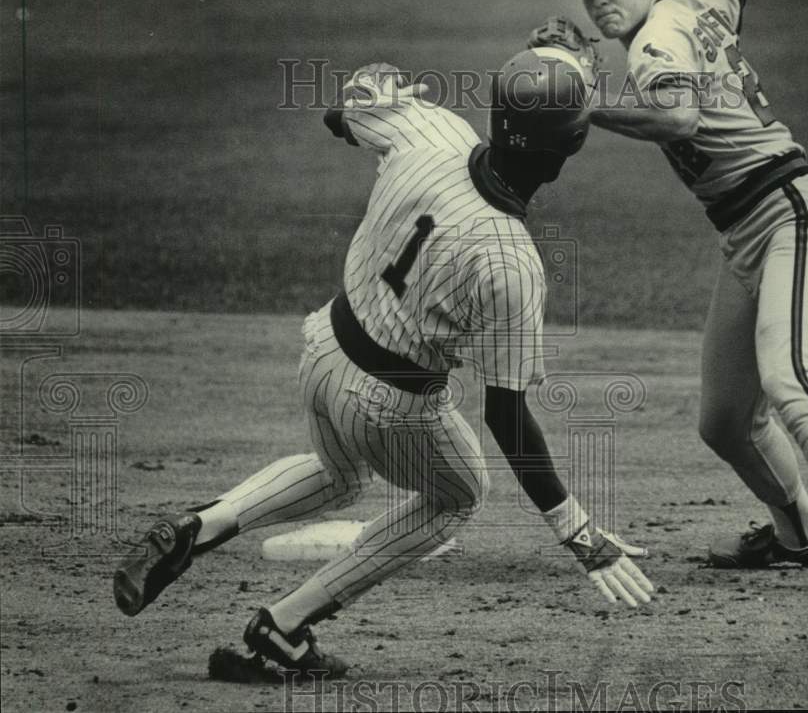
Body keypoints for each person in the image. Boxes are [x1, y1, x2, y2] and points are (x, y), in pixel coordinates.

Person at [113, 49, 654, 680]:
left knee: (340, 478)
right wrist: (576, 530)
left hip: (321, 350)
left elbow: (340, 116)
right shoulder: (512, 264)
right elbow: (505, 413)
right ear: (568, 152)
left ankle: (196, 526)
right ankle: (284, 626)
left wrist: (368, 93)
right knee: (458, 496)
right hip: (389, 406)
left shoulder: (434, 129)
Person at [544, 0, 808, 598]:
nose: (598, 0)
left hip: (794, 212)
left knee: (792, 375)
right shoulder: (699, 4)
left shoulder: (657, 38)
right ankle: (800, 534)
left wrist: (587, 105)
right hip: (747, 229)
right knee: (724, 418)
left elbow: (680, 118)